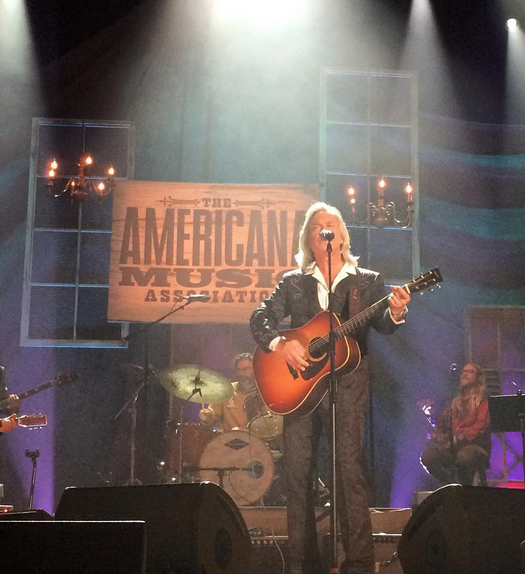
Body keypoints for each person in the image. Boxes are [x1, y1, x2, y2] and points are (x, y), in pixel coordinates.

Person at [249, 202, 411, 574]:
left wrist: (398, 310)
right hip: (300, 388)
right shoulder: (293, 281)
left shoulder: (366, 281)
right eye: (318, 226)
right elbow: (260, 317)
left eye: (332, 225)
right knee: (298, 472)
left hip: (350, 383)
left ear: (342, 236)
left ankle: (357, 564)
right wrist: (281, 345)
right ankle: (301, 566)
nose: (326, 230)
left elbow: (384, 323)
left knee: (349, 471)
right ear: (310, 237)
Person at [420, 363, 491, 486]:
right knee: (428, 456)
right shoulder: (455, 401)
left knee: (464, 457)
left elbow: (481, 426)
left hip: (476, 446)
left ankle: (464, 490)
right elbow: (442, 426)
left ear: (478, 378)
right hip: (455, 447)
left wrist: (461, 435)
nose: (465, 374)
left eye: (470, 372)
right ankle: (453, 486)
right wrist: (431, 414)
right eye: (464, 371)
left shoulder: (483, 400)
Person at [199, 352, 257, 432]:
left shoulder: (264, 392)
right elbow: (214, 417)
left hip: (257, 441)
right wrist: (207, 417)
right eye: (238, 370)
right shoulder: (225, 390)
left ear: (255, 369)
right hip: (228, 441)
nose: (241, 373)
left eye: (245, 369)